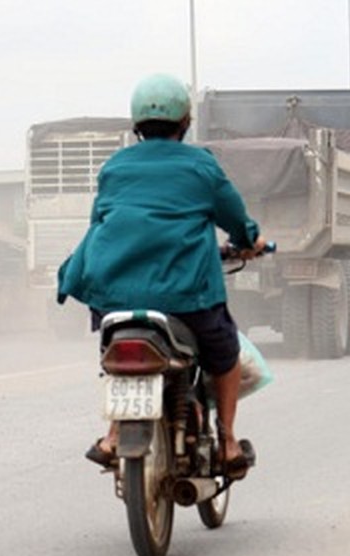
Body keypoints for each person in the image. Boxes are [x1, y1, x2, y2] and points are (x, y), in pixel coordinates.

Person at [56, 73, 267, 479]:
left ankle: (114, 434)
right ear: (185, 123)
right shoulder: (201, 165)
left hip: (115, 298)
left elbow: (101, 222)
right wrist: (250, 241)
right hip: (187, 297)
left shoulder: (114, 167)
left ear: (136, 125)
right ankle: (226, 442)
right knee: (225, 357)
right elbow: (236, 219)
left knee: (116, 359)